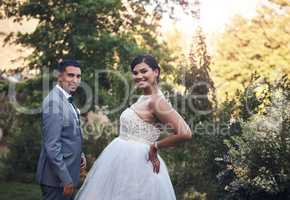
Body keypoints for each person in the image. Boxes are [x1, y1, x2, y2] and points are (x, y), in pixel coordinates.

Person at [75, 54, 192, 200]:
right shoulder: (144, 97)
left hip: (138, 164)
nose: (139, 76)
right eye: (135, 73)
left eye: (144, 71)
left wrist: (156, 145)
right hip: (120, 160)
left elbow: (185, 133)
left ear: (156, 72)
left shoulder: (157, 101)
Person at [36, 59, 86, 200]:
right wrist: (66, 179)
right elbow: (52, 146)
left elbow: (69, 134)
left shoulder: (66, 99)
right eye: (70, 75)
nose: (75, 80)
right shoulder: (54, 103)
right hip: (56, 180)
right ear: (59, 77)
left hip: (68, 172)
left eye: (78, 76)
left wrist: (80, 154)